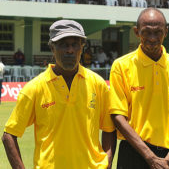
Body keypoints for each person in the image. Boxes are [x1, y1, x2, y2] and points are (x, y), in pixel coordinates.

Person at [2, 20, 116, 169]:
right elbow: (8, 136)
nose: (70, 50)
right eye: (63, 44)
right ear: (52, 48)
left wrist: (107, 161)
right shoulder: (35, 88)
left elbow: (109, 129)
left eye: (75, 44)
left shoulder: (98, 84)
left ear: (82, 47)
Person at [109, 8, 169, 169]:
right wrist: (150, 157)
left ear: (166, 32)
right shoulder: (121, 66)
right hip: (133, 153)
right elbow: (118, 116)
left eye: (158, 32)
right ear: (136, 32)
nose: (152, 38)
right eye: (146, 32)